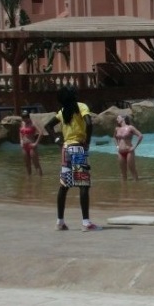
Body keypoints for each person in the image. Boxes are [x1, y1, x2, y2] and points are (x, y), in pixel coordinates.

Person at [45, 86, 101, 232]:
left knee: (64, 186)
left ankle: (60, 222)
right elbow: (89, 123)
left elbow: (48, 126)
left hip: (66, 149)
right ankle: (86, 223)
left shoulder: (63, 111)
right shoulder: (81, 106)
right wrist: (87, 141)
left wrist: (57, 140)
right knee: (83, 185)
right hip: (78, 149)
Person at [113, 114, 143, 181]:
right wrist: (117, 146)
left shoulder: (130, 127)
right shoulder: (117, 129)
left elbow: (140, 136)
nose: (117, 119)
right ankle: (124, 187)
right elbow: (114, 138)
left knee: (132, 170)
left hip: (129, 151)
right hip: (120, 152)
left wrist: (134, 147)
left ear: (123, 118)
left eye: (118, 118)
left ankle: (137, 186)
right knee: (123, 172)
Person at [19, 110, 43, 176]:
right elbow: (20, 132)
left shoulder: (33, 123)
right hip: (24, 146)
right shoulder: (22, 123)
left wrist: (36, 143)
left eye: (26, 117)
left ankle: (40, 180)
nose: (25, 119)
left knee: (36, 165)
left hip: (31, 146)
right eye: (23, 117)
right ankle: (29, 180)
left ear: (28, 117)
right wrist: (21, 140)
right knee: (27, 165)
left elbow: (41, 133)